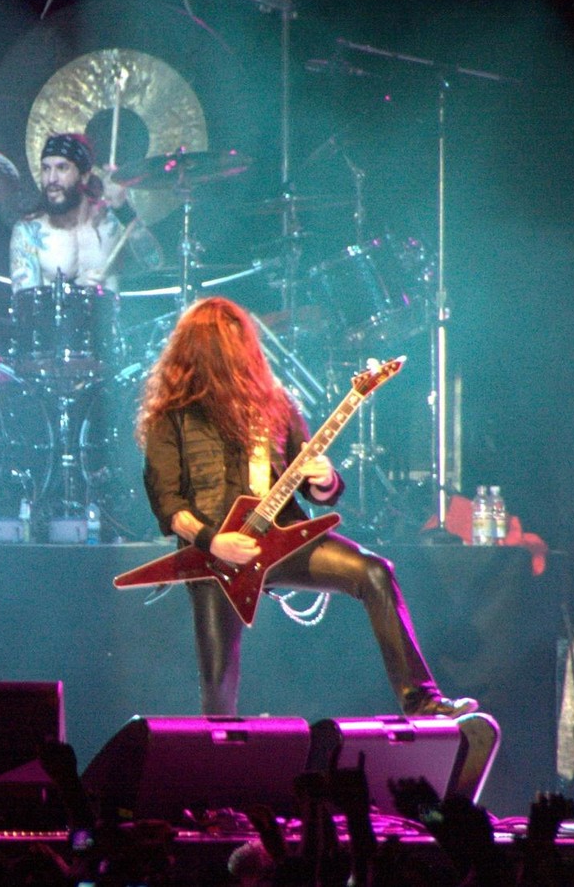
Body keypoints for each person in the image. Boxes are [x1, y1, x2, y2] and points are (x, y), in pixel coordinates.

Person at [137, 296, 476, 718]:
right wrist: (213, 541)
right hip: (213, 554)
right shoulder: (172, 416)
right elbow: (169, 505)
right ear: (196, 351)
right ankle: (219, 758)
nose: (232, 353)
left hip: (282, 537)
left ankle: (420, 700)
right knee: (218, 683)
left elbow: (315, 485)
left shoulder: (273, 403)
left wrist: (325, 480)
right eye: (221, 343)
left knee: (374, 571)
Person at [8, 132, 130, 292]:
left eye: (62, 168)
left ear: (84, 176)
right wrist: (75, 288)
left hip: (110, 316)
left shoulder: (111, 222)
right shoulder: (28, 231)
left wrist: (124, 210)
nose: (51, 179)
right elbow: (25, 302)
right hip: (53, 316)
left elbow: (153, 262)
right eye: (45, 169)